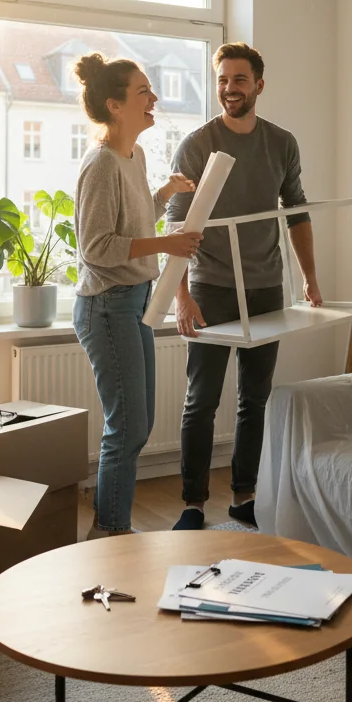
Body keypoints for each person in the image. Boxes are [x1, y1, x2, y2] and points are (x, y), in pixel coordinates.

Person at [167, 42, 322, 531]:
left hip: (264, 288)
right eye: (221, 80)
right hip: (211, 287)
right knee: (202, 400)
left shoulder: (281, 143)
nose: (229, 89)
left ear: (258, 84)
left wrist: (310, 278)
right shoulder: (197, 144)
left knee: (254, 399)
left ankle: (243, 498)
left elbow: (297, 211)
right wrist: (181, 296)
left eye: (238, 80)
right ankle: (193, 505)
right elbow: (177, 226)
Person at [72, 53, 201, 538]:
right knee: (125, 428)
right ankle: (110, 534)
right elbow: (97, 247)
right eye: (144, 91)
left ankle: (110, 531)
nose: (154, 99)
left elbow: (131, 222)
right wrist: (166, 244)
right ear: (116, 104)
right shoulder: (101, 164)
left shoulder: (134, 157)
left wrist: (163, 195)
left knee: (137, 427)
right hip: (106, 307)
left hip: (134, 302)